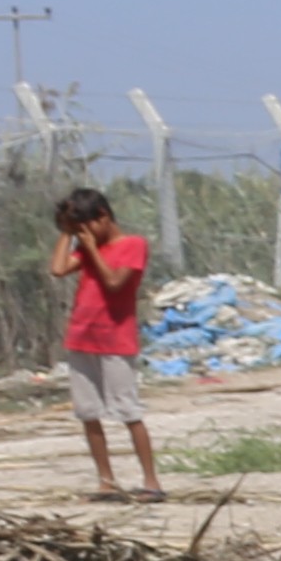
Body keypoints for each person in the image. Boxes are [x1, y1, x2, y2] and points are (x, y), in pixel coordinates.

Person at [49, 185, 164, 502]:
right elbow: (58, 269)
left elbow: (115, 283)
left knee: (128, 410)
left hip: (115, 340)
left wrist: (92, 249)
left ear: (103, 216)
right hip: (82, 337)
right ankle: (106, 481)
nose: (85, 235)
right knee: (88, 412)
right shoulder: (85, 248)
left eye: (87, 227)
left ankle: (151, 481)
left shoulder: (132, 245)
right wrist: (66, 233)